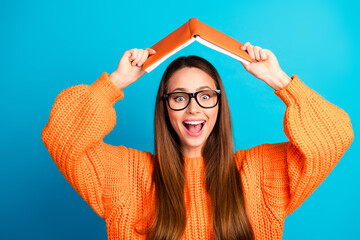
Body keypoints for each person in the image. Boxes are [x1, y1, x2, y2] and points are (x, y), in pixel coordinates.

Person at [42, 42, 354, 240]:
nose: (194, 108)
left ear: (220, 104)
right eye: (180, 97)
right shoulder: (127, 176)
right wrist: (116, 81)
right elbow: (61, 135)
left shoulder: (259, 174)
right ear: (165, 106)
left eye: (206, 96)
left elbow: (335, 135)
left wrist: (279, 80)